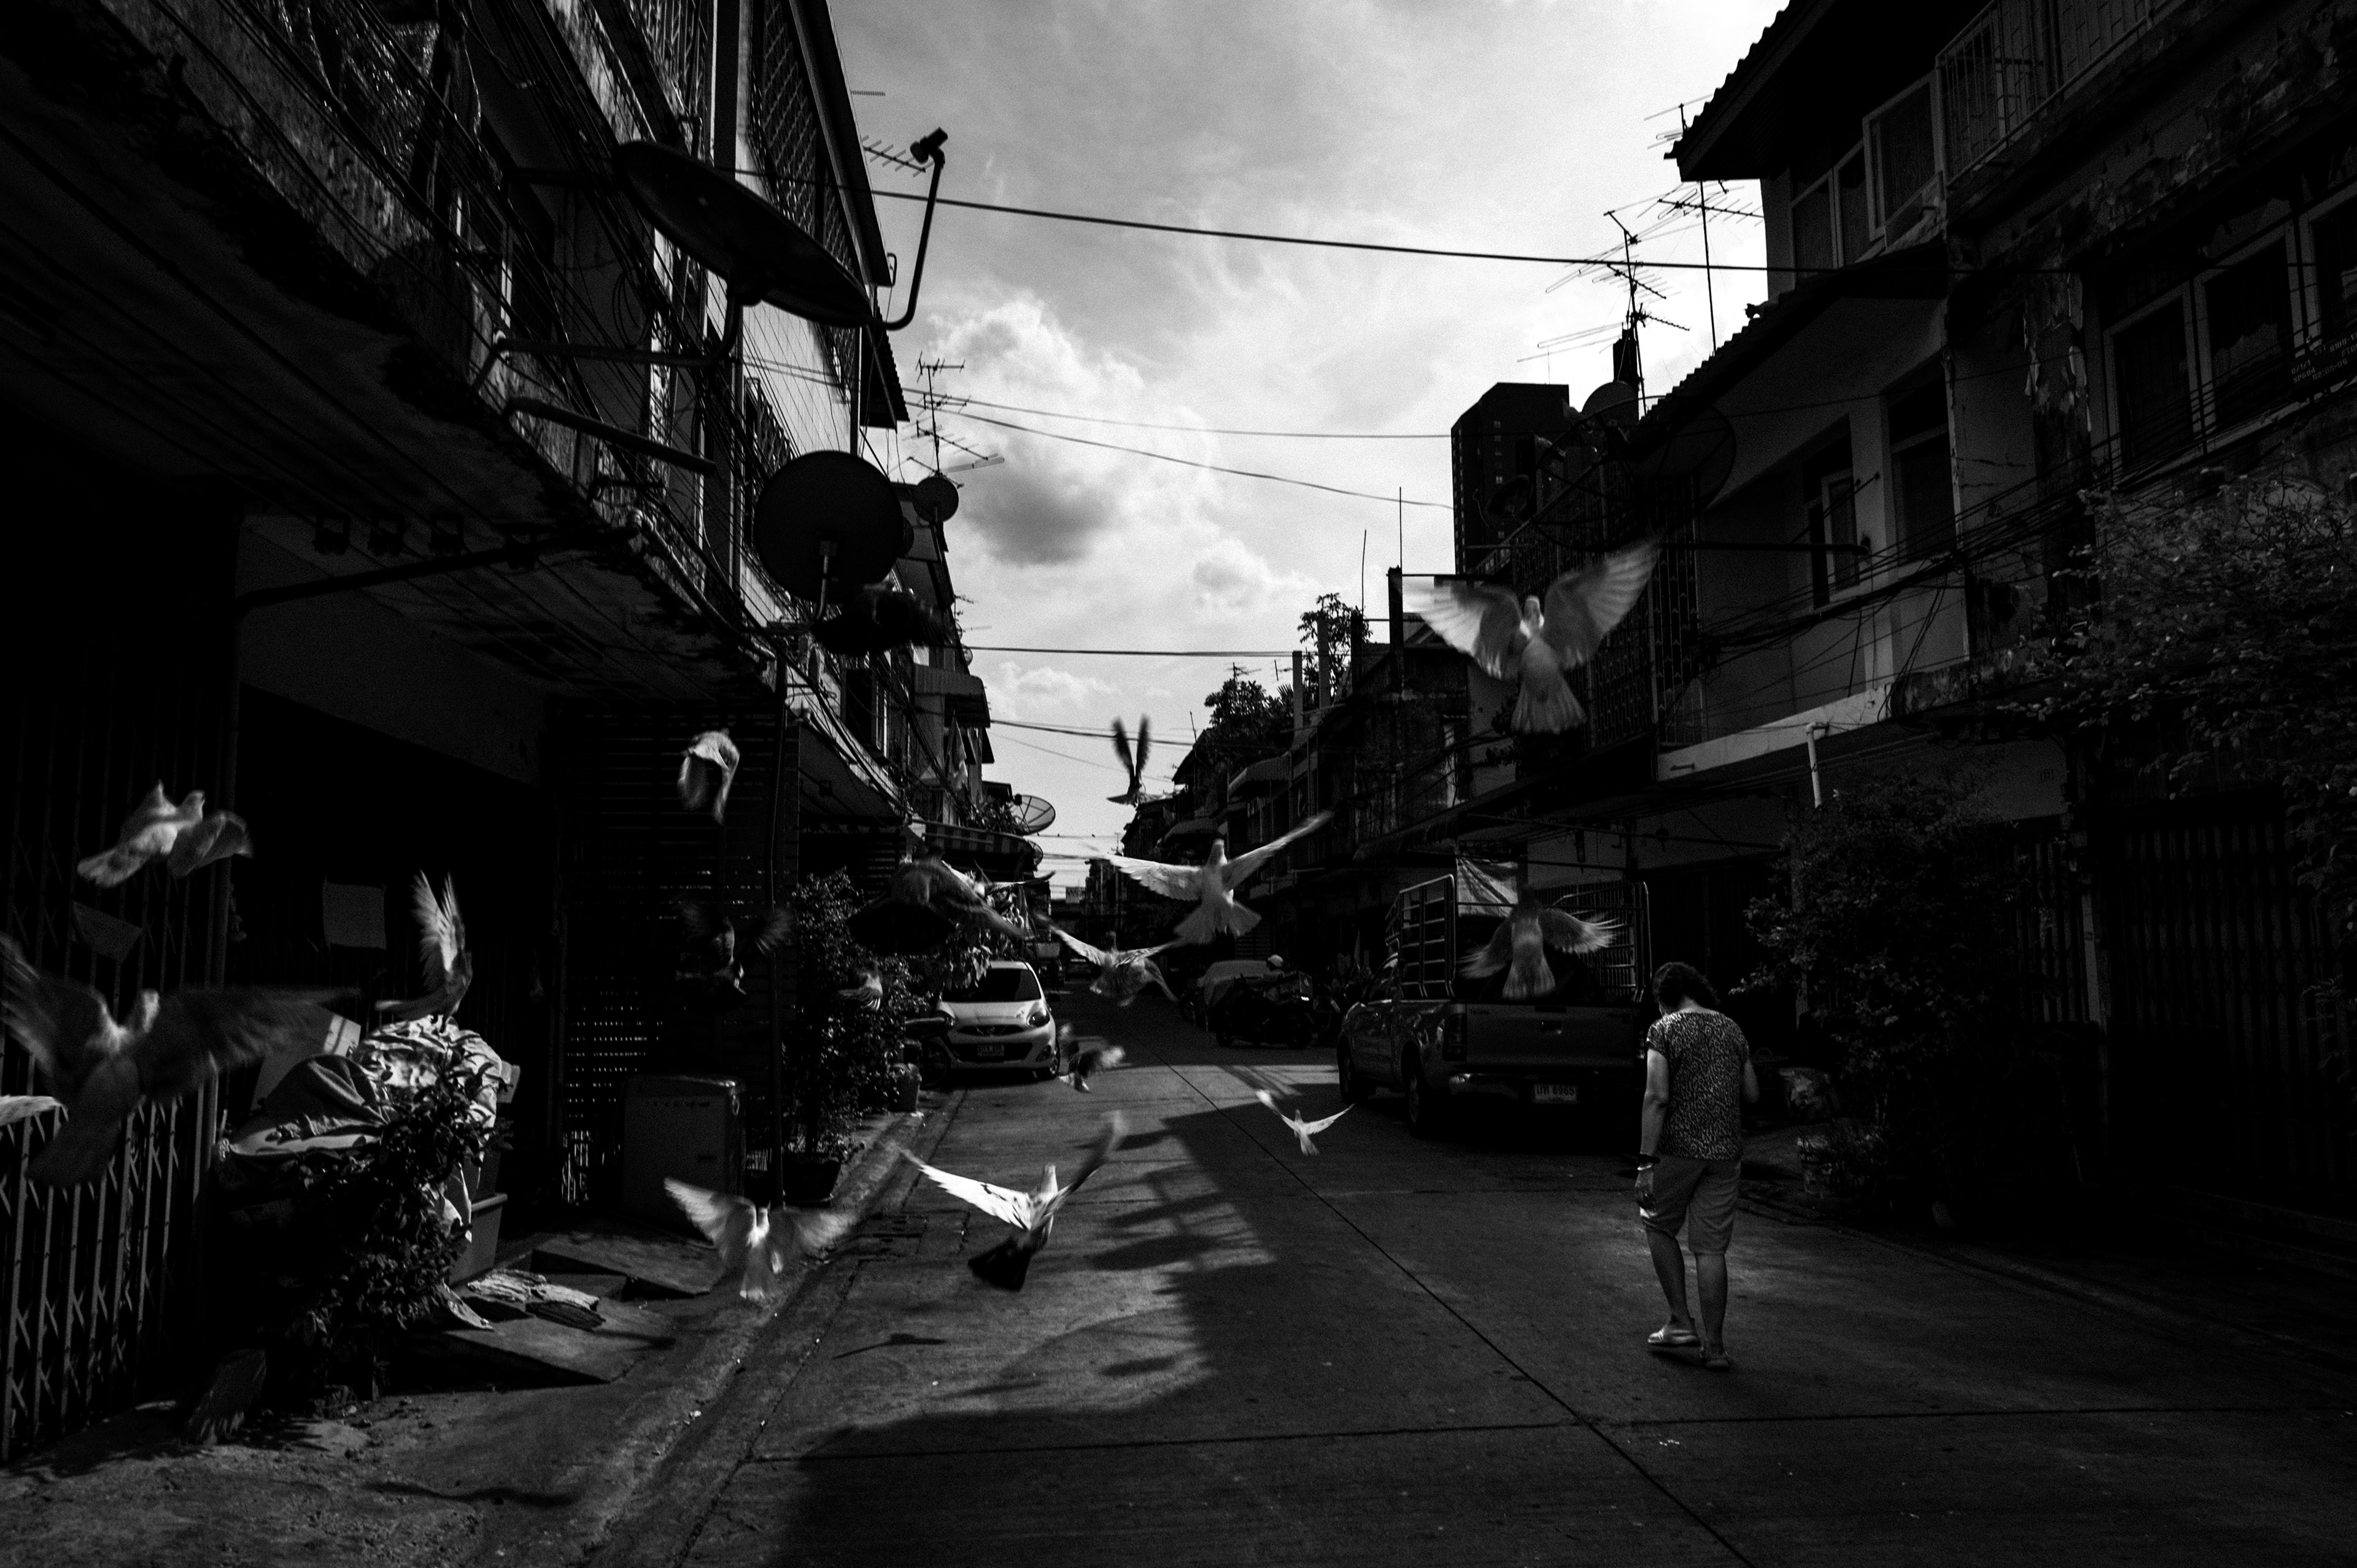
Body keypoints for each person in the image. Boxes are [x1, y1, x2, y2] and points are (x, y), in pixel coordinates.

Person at [1636, 960, 1758, 1370]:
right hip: (1725, 1153)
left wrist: (1645, 1163)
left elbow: (1657, 1096)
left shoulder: (1664, 1029)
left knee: (1657, 1223)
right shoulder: (1732, 1029)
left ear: (1664, 998)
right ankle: (1716, 1347)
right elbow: (1752, 1094)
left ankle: (1680, 1320)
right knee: (1711, 1249)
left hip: (1678, 1149)